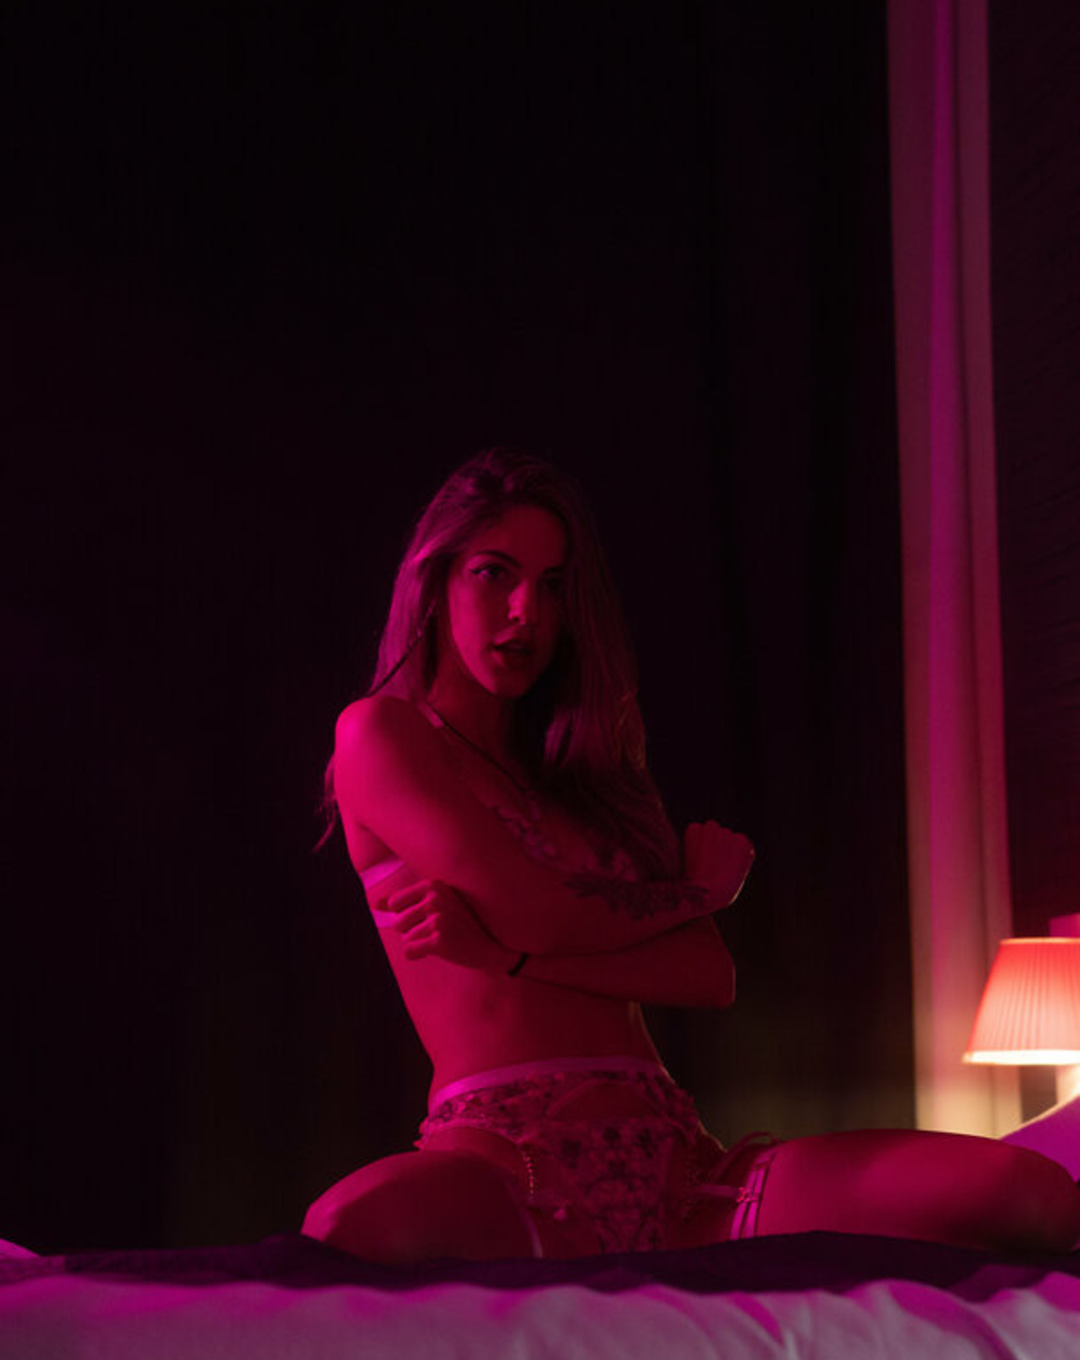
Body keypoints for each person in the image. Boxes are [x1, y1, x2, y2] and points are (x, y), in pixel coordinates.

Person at [302, 448, 1080, 1264]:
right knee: (347, 1227)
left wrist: (510, 954)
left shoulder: (592, 774)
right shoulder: (381, 734)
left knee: (1031, 1193)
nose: (527, 610)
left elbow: (705, 975)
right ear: (435, 581)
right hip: (508, 1166)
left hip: (683, 1169)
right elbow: (540, 910)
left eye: (554, 584)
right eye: (495, 573)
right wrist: (697, 892)